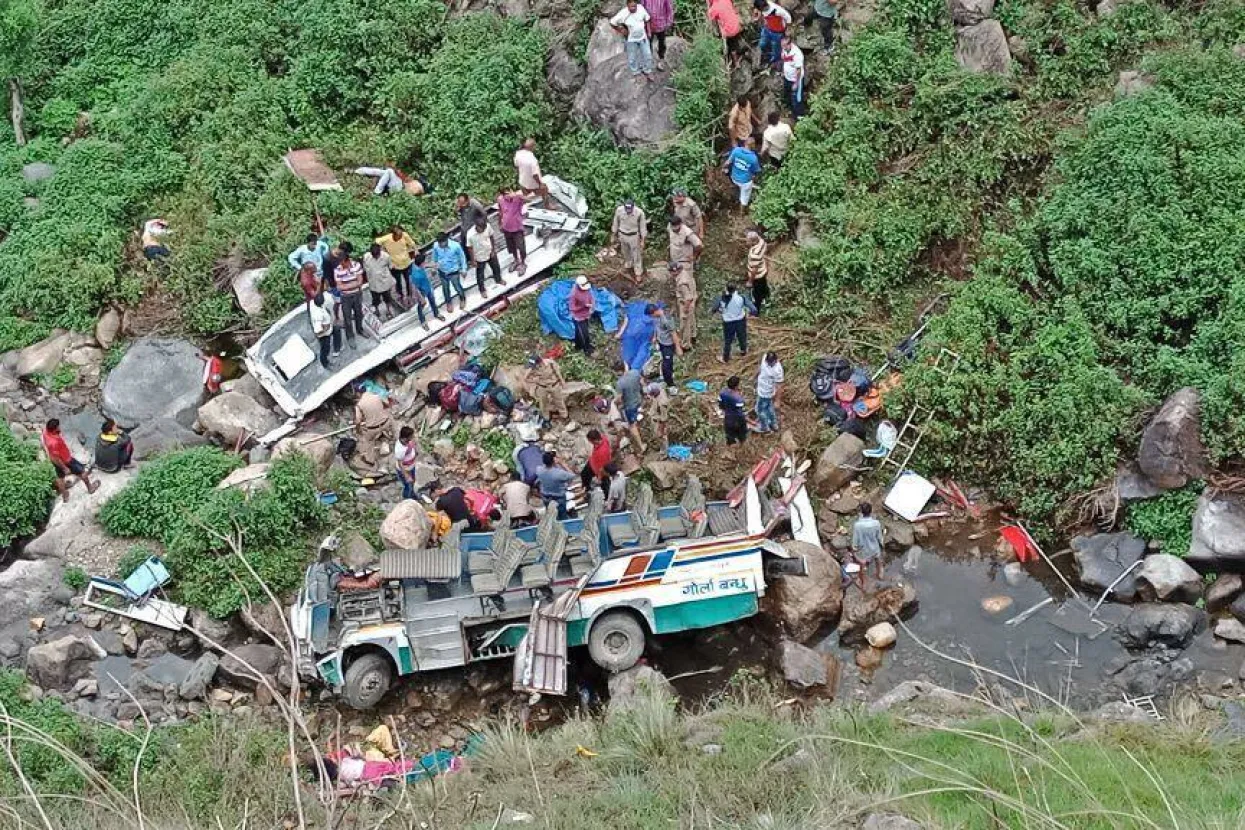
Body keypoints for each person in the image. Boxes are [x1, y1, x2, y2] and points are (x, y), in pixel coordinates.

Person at [42, 419, 98, 501]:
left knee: (60, 478)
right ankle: (90, 488)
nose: (59, 427)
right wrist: (65, 468)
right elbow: (56, 458)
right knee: (82, 472)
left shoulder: (46, 432)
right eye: (58, 427)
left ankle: (65, 495)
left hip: (55, 461)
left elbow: (53, 457)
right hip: (66, 460)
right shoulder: (53, 443)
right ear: (54, 429)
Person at [333, 242, 368, 347]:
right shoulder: (337, 269)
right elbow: (339, 286)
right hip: (346, 297)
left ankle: (360, 329)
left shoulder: (356, 265)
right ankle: (350, 337)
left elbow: (360, 281)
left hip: (357, 294)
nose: (342, 265)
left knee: (359, 314)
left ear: (347, 260)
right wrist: (353, 284)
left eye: (343, 262)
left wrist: (347, 285)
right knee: (347, 318)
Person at [353, 386, 394, 472]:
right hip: (386, 423)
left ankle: (370, 460)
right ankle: (390, 435)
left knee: (368, 441)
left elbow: (358, 421)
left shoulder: (359, 405)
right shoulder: (377, 396)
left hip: (373, 429)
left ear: (358, 393)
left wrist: (358, 430)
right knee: (388, 420)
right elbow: (386, 404)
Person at [714, 283, 757, 362]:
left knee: (728, 340)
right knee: (742, 336)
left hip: (728, 322)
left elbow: (714, 308)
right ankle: (743, 352)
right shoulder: (741, 297)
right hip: (740, 320)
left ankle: (725, 358)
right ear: (735, 289)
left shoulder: (721, 298)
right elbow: (753, 309)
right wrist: (752, 314)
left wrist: (719, 310)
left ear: (726, 289)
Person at [611, 0, 654, 78]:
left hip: (642, 37)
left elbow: (647, 19)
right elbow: (612, 22)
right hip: (631, 39)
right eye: (632, 7)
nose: (634, 8)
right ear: (627, 5)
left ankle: (647, 70)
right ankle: (636, 72)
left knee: (647, 54)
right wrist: (620, 29)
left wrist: (649, 32)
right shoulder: (623, 13)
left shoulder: (641, 8)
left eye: (635, 6)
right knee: (632, 57)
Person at [610, 199, 648, 284]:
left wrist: (643, 240)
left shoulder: (639, 213)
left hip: (634, 235)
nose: (628, 210)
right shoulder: (619, 210)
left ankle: (638, 273)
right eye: (626, 208)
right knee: (625, 252)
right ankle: (628, 265)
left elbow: (642, 227)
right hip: (622, 234)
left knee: (636, 255)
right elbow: (615, 222)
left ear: (633, 206)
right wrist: (613, 235)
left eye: (630, 209)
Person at [376, 225, 417, 303]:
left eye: (401, 234)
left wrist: (416, 250)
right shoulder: (387, 238)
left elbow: (412, 243)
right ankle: (401, 295)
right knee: (398, 282)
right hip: (395, 265)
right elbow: (376, 242)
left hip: (406, 263)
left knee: (409, 280)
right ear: (394, 234)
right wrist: (382, 252)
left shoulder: (404, 235)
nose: (400, 236)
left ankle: (409, 295)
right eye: (398, 235)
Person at [466, 217, 504, 297]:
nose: (483, 230)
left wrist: (493, 250)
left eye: (484, 229)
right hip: (479, 256)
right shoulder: (470, 235)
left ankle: (498, 279)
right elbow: (470, 248)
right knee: (480, 275)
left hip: (489, 252)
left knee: (496, 267)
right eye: (481, 229)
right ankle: (482, 290)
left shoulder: (488, 226)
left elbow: (491, 237)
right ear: (476, 226)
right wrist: (473, 260)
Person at [431, 233, 468, 313]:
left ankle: (462, 299)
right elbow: (434, 258)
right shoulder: (435, 246)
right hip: (442, 272)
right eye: (439, 243)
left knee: (457, 287)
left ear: (446, 240)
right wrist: (433, 268)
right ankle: (448, 303)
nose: (440, 245)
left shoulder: (455, 246)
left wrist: (464, 269)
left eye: (442, 243)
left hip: (453, 271)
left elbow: (462, 257)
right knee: (445, 289)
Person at [526, 354, 570, 421]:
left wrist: (562, 382)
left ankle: (564, 416)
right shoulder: (532, 368)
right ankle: (546, 418)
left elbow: (558, 373)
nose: (534, 367)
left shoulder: (550, 363)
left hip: (554, 385)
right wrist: (534, 381)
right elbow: (526, 378)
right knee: (543, 403)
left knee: (559, 401)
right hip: (542, 387)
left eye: (535, 365)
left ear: (540, 362)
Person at [851, 502, 885, 585]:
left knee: (862, 565)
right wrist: (882, 544)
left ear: (861, 512)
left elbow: (855, 541)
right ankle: (880, 573)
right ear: (871, 512)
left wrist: (853, 549)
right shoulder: (876, 523)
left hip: (864, 551)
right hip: (875, 548)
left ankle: (862, 581)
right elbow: (879, 537)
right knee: (878, 560)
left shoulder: (857, 525)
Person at [536, 451, 577, 519]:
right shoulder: (559, 473)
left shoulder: (539, 470)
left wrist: (552, 462)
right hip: (558, 499)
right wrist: (562, 463)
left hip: (546, 498)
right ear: (553, 460)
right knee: (562, 517)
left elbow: (546, 467)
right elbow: (572, 475)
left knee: (552, 516)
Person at [723, 137, 762, 208]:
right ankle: (741, 213)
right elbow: (757, 171)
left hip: (734, 178)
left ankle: (737, 189)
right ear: (753, 146)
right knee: (744, 200)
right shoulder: (753, 158)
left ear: (745, 143)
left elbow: (727, 162)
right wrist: (754, 177)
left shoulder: (736, 150)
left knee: (738, 183)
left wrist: (723, 168)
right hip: (745, 182)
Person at [497, 186, 528, 275]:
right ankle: (516, 260)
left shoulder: (518, 198)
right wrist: (500, 224)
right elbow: (500, 212)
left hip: (517, 227)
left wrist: (516, 195)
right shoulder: (500, 200)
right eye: (505, 194)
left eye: (508, 192)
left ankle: (523, 263)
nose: (508, 195)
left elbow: (529, 199)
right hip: (506, 228)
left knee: (521, 246)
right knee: (511, 246)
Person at [362, 243, 397, 321]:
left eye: (377, 255)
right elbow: (364, 269)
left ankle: (389, 311)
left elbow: (391, 267)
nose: (376, 257)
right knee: (375, 300)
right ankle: (377, 311)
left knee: (387, 298)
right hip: (373, 284)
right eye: (374, 255)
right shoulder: (366, 257)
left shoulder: (386, 256)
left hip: (384, 283)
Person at [616, 367, 647, 453]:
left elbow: (619, 398)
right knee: (639, 415)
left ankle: (641, 446)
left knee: (632, 426)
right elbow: (642, 382)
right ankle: (644, 429)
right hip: (639, 401)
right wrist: (644, 393)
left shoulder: (620, 383)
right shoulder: (635, 372)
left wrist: (616, 403)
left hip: (629, 407)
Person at [752, 0, 791, 67]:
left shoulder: (776, 10)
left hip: (777, 32)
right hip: (767, 28)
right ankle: (768, 54)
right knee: (762, 44)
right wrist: (758, 15)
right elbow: (757, 9)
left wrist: (788, 29)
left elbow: (788, 17)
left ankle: (776, 60)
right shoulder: (763, 5)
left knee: (776, 49)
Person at [650, 303, 682, 386]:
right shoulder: (655, 318)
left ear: (654, 312)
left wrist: (678, 347)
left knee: (667, 365)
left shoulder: (666, 319)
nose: (651, 317)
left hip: (668, 345)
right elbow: (656, 327)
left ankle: (670, 384)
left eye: (651, 315)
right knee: (664, 361)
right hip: (661, 343)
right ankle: (664, 378)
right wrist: (655, 337)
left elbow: (673, 333)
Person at [707, 0, 746, 66]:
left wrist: (709, 7)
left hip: (729, 32)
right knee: (734, 36)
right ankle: (738, 46)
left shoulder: (714, 8)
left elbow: (710, 18)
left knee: (731, 44)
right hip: (737, 26)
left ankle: (735, 61)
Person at [514, 138, 551, 206]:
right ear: (532, 147)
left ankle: (524, 203)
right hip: (532, 184)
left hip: (522, 182)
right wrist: (540, 184)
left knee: (526, 195)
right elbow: (535, 174)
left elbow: (516, 166)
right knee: (545, 189)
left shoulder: (518, 154)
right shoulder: (532, 159)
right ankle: (547, 205)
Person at [670, 261, 698, 349]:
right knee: (691, 320)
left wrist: (685, 310)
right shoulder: (685, 273)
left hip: (686, 303)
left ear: (675, 271)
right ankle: (693, 336)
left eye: (671, 271)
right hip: (692, 300)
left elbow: (688, 298)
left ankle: (686, 345)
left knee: (684, 325)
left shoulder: (682, 283)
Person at [308, 292, 340, 369]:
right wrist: (326, 327)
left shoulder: (312, 303)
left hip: (329, 327)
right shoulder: (318, 314)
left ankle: (337, 347)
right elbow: (318, 330)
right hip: (325, 334)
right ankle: (325, 363)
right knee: (325, 349)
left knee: (337, 330)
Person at [755, 351, 784, 433]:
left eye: (772, 362)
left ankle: (765, 427)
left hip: (766, 393)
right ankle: (774, 424)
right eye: (769, 362)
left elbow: (779, 386)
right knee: (769, 407)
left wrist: (778, 401)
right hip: (761, 388)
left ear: (776, 360)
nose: (770, 364)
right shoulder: (765, 358)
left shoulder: (778, 370)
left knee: (759, 410)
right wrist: (755, 376)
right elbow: (760, 368)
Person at [409, 251, 441, 322]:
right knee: (421, 306)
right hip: (421, 291)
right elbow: (415, 288)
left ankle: (436, 313)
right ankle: (422, 321)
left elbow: (425, 265)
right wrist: (421, 298)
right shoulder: (416, 275)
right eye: (424, 262)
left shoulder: (416, 264)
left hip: (427, 286)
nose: (425, 263)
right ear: (421, 264)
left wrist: (433, 265)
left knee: (432, 301)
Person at [745, 228, 770, 314]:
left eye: (748, 241)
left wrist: (750, 281)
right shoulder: (762, 242)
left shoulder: (754, 255)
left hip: (757, 276)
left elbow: (754, 270)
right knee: (763, 285)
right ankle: (766, 295)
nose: (746, 242)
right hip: (763, 270)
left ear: (753, 242)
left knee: (757, 294)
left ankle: (756, 311)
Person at [781, 34, 806, 118]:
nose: (783, 47)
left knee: (797, 99)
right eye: (782, 45)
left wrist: (796, 83)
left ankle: (799, 115)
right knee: (787, 93)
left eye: (784, 45)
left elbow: (798, 70)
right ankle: (789, 107)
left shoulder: (797, 54)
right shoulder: (784, 49)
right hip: (787, 77)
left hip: (795, 80)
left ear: (789, 44)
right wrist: (783, 72)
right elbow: (784, 60)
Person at [570, 275, 596, 356]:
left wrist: (592, 304)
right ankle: (587, 349)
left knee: (579, 332)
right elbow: (572, 308)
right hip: (578, 317)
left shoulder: (587, 289)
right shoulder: (574, 294)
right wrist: (583, 306)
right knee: (584, 334)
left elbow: (590, 296)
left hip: (586, 314)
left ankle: (577, 345)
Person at [718, 376, 748, 446]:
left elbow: (720, 404)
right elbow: (741, 413)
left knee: (730, 436)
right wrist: (750, 421)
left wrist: (725, 410)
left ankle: (731, 448)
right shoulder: (738, 398)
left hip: (728, 419)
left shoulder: (722, 392)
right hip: (738, 421)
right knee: (742, 435)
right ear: (736, 386)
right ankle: (742, 446)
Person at [582, 429, 613, 493]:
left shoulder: (601, 452)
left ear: (594, 440)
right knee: (584, 474)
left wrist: (599, 477)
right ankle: (586, 489)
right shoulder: (603, 439)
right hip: (592, 462)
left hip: (599, 468)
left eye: (590, 440)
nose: (589, 442)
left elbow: (601, 468)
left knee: (605, 485)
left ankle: (609, 498)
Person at [647, 0, 674, 69]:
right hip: (649, 25)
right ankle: (649, 60)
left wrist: (669, 22)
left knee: (662, 43)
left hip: (661, 24)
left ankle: (661, 59)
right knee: (648, 43)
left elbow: (669, 9)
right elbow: (642, 8)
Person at [393, 426, 419, 499]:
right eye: (411, 436)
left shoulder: (407, 441)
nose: (413, 437)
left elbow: (412, 445)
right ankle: (407, 498)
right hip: (405, 469)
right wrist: (406, 476)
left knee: (413, 482)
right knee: (408, 486)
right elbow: (400, 463)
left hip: (411, 467)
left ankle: (413, 495)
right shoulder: (400, 450)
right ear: (405, 438)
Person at [646, 382, 671, 450]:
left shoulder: (662, 403)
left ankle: (665, 451)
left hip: (659, 421)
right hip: (655, 416)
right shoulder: (659, 390)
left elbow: (664, 419)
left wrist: (661, 430)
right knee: (658, 436)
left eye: (651, 394)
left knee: (662, 436)